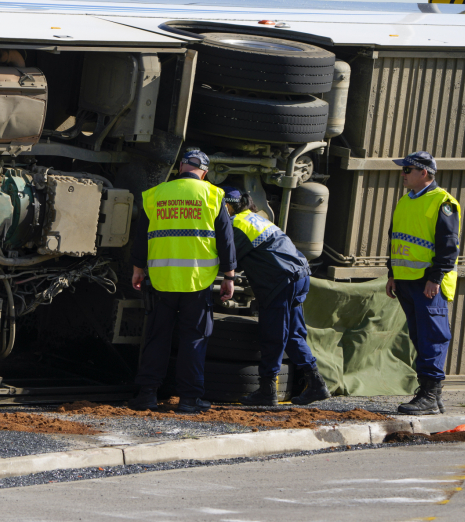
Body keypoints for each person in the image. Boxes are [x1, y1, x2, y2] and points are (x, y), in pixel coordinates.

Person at [129, 150, 237, 414]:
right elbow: (225, 240)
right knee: (194, 338)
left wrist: (137, 270)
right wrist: (229, 277)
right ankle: (190, 399)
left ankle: (147, 395)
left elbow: (141, 237)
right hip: (196, 281)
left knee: (156, 337)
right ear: (204, 172)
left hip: (162, 279)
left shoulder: (156, 194)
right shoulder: (212, 195)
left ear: (180, 167)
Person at [221, 186, 330, 406]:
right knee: (293, 333)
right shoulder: (255, 218)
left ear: (227, 206)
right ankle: (316, 383)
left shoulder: (236, 225)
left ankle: (267, 390)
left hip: (279, 281)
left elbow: (225, 261)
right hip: (299, 276)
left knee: (273, 333)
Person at [386, 151, 461, 415]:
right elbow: (394, 239)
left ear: (424, 173)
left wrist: (435, 278)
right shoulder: (405, 200)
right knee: (420, 336)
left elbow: (449, 246)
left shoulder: (443, 202)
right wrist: (391, 273)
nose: (403, 174)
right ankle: (429, 394)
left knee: (433, 336)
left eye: (407, 170)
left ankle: (430, 395)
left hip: (428, 283)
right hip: (406, 280)